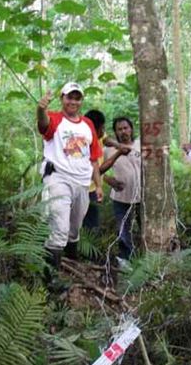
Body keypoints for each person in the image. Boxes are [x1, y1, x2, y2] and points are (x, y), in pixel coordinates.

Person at [37, 82, 103, 276]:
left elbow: (94, 158)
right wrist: (40, 109)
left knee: (74, 228)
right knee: (59, 228)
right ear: (62, 99)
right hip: (58, 179)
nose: (73, 101)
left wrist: (98, 185)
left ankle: (72, 263)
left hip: (82, 183)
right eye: (69, 97)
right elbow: (43, 124)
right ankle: (51, 279)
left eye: (77, 98)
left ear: (81, 101)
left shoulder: (88, 124)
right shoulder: (55, 119)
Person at [83, 110, 131, 231]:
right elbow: (97, 171)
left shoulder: (98, 136)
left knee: (92, 223)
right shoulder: (84, 145)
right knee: (89, 225)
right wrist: (118, 153)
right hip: (85, 189)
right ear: (94, 129)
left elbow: (106, 140)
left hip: (93, 188)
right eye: (102, 128)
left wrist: (118, 145)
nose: (104, 131)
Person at [104, 117, 141, 262]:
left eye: (126, 128)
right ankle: (126, 259)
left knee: (145, 228)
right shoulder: (109, 150)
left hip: (142, 197)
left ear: (131, 129)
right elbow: (95, 169)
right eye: (119, 129)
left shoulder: (140, 145)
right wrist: (109, 180)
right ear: (115, 132)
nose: (123, 131)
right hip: (120, 198)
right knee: (123, 231)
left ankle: (146, 259)